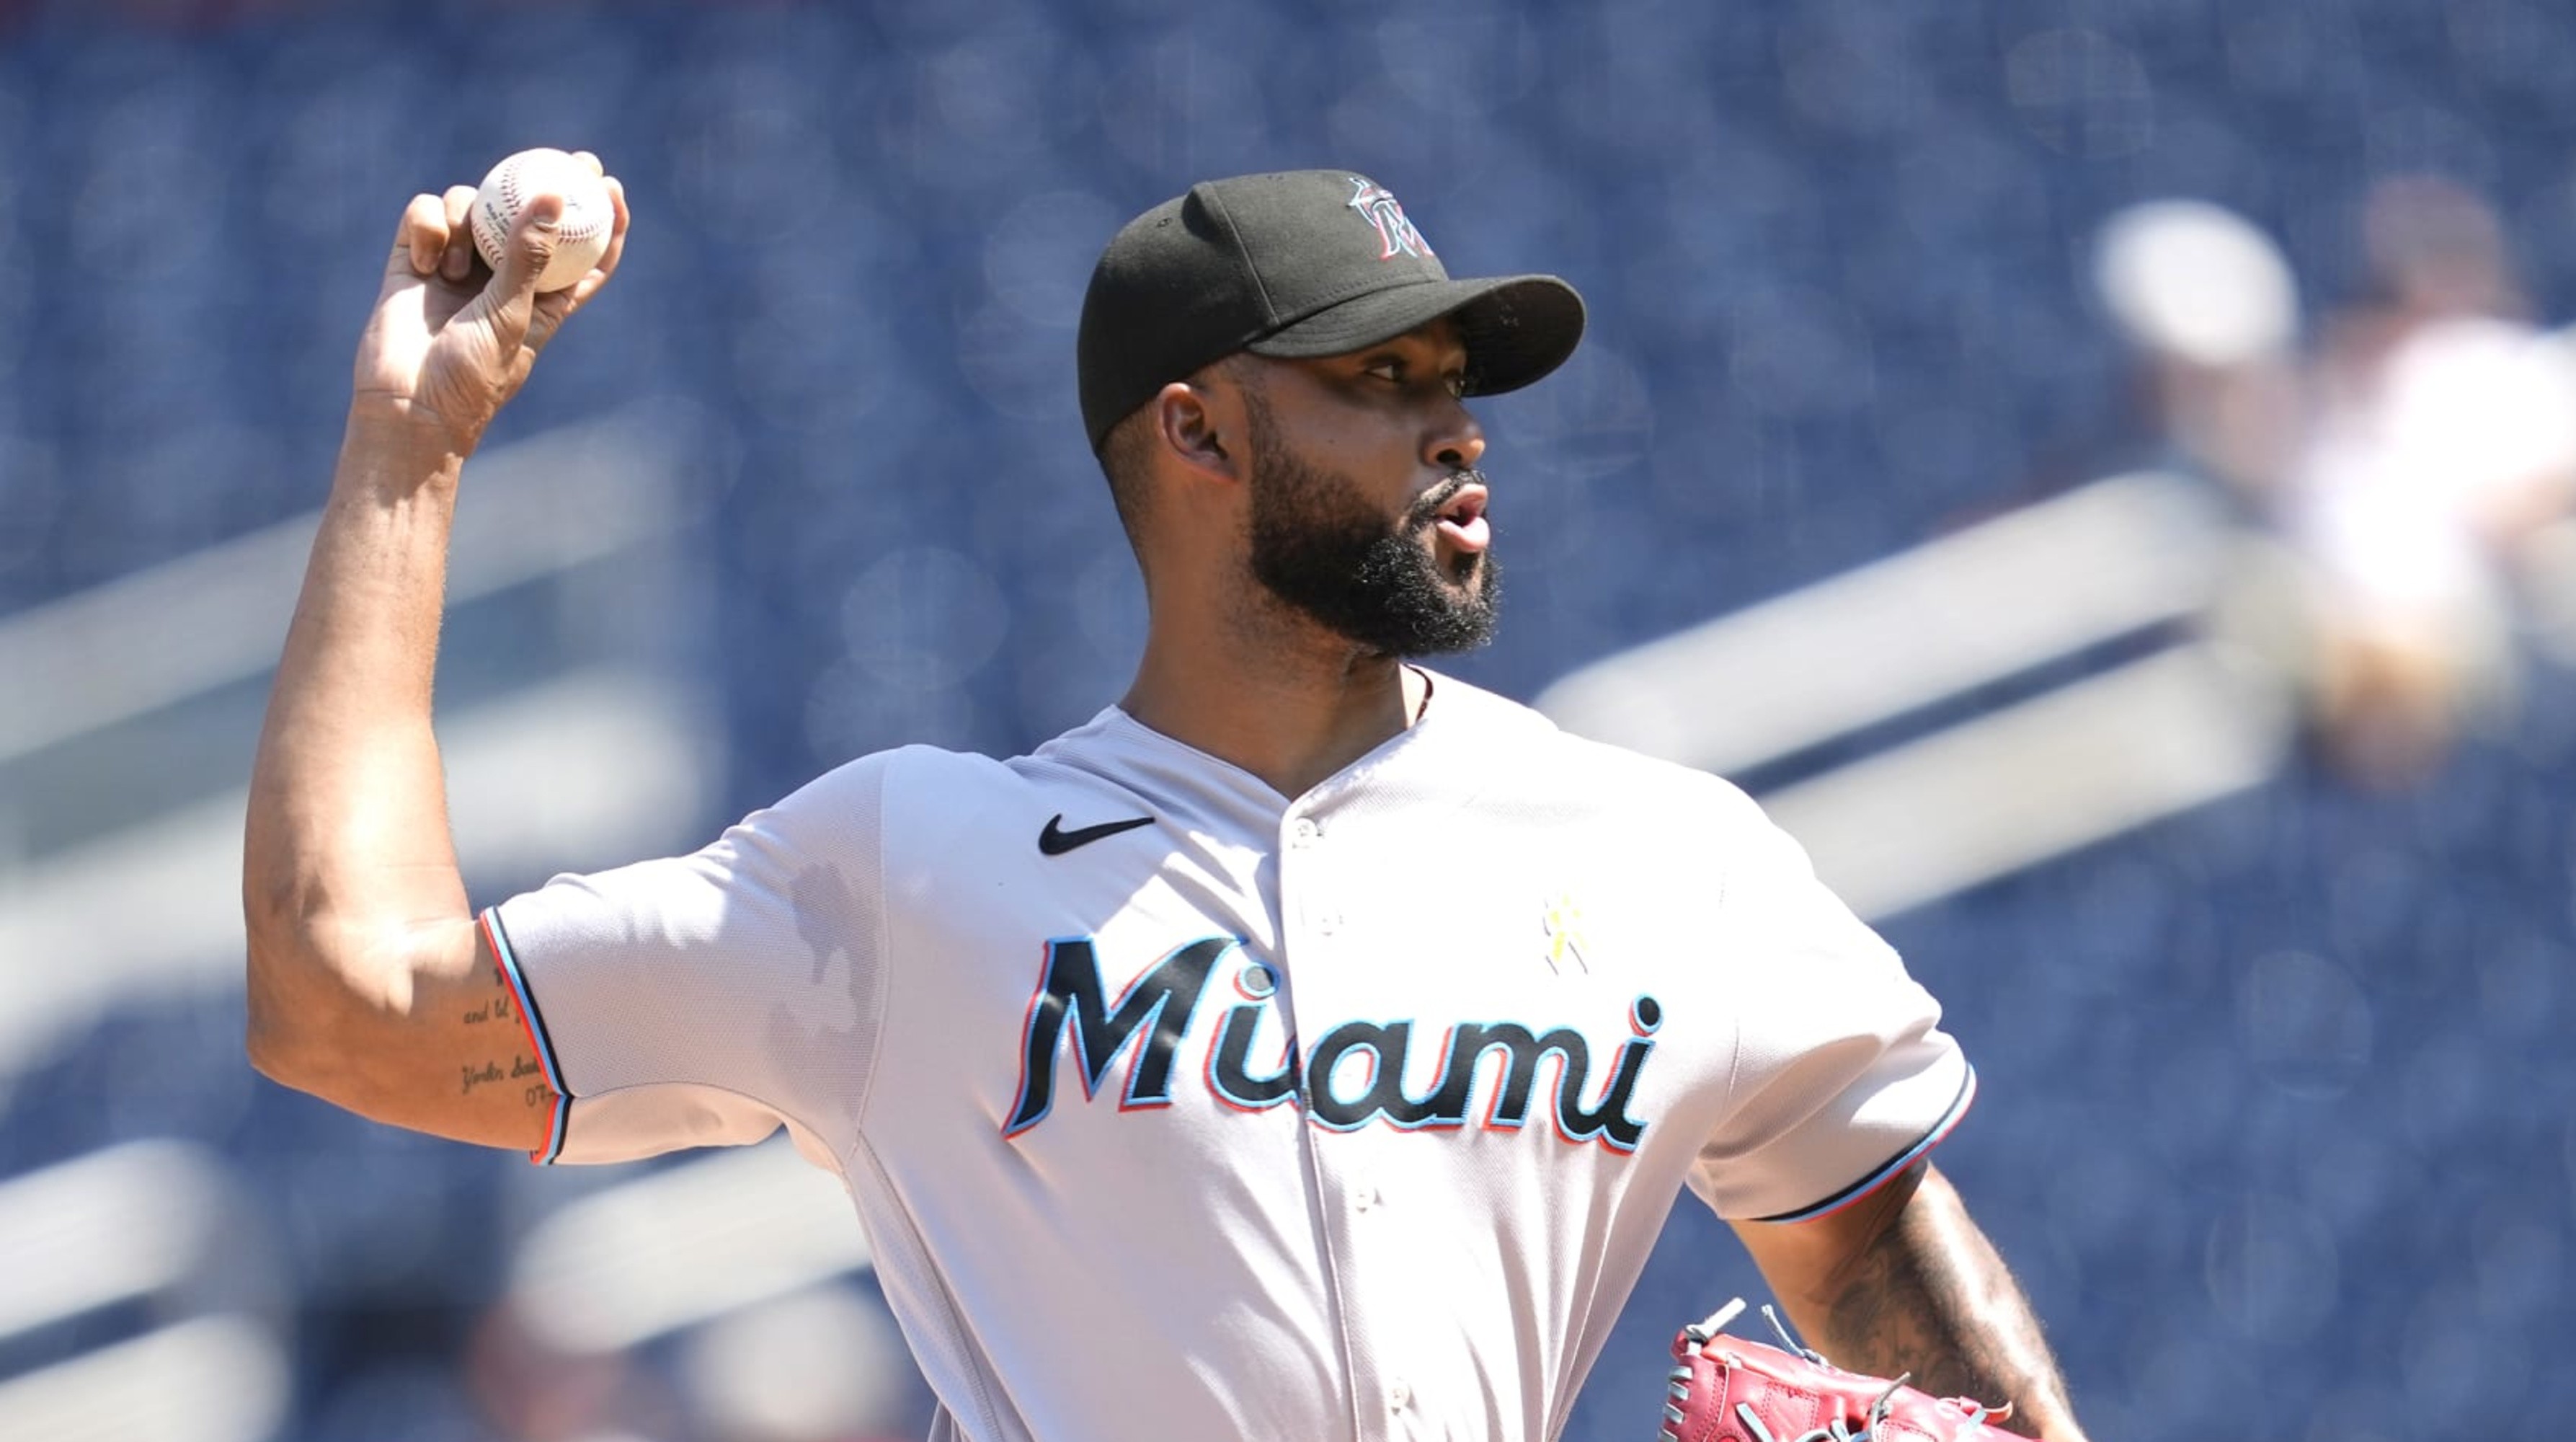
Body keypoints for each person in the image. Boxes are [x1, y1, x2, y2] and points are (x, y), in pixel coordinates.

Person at [244, 162, 2087, 1442]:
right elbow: (347, 1000)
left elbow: (1866, 1219)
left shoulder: (1664, 859)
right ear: (1196, 432)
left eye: (1456, 382)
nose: (1457, 427)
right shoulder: (911, 875)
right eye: (1379, 377)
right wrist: (413, 447)